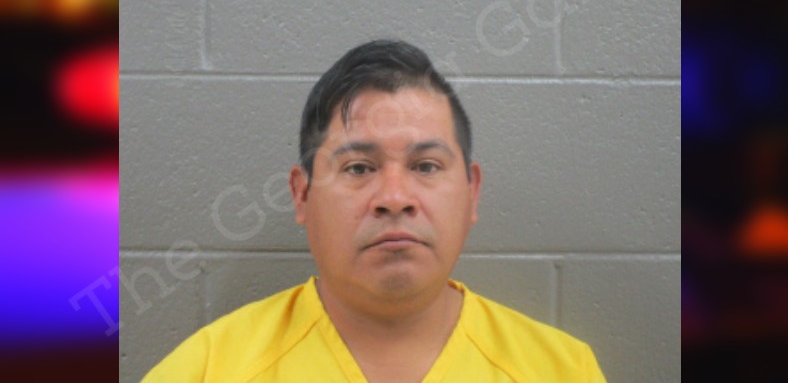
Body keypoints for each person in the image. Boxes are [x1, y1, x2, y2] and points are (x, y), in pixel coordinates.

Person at [142, 39, 606, 382]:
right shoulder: (207, 369)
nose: (395, 197)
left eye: (426, 166)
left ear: (472, 192)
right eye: (359, 168)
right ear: (302, 196)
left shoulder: (562, 370)